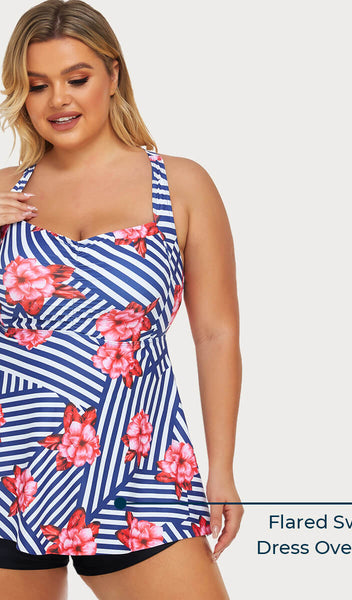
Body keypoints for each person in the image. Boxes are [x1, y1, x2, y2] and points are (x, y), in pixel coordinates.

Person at [0, 1, 243, 598]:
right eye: (38, 85)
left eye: (77, 78)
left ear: (113, 75)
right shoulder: (3, 191)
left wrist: (222, 470)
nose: (58, 100)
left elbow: (216, 335)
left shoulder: (181, 185)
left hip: (139, 467)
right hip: (8, 469)